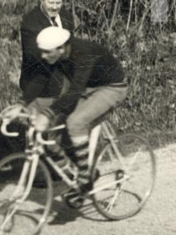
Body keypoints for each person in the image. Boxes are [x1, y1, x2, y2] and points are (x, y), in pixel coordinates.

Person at [27, 27, 129, 194]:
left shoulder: (84, 52)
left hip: (111, 87)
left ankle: (85, 176)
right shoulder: (58, 55)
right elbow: (41, 81)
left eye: (46, 52)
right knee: (49, 126)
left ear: (61, 48)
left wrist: (47, 113)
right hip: (86, 87)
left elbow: (74, 92)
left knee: (75, 122)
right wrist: (23, 105)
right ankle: (67, 170)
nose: (43, 56)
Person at [19, 0, 74, 99]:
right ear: (42, 0)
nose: (55, 7)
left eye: (58, 3)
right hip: (39, 84)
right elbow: (33, 56)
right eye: (51, 3)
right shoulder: (30, 22)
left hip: (64, 83)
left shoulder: (67, 17)